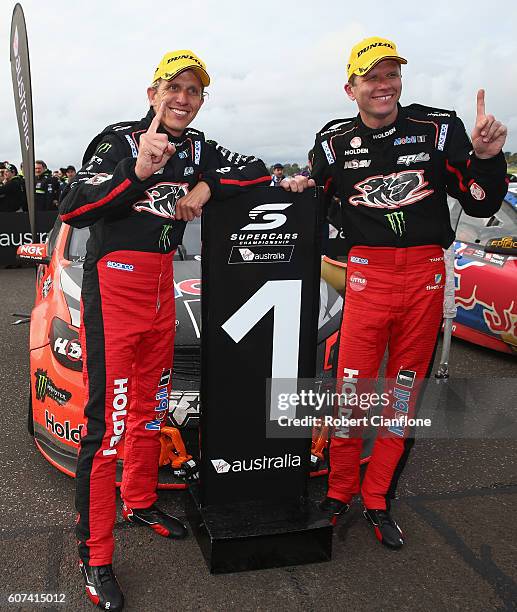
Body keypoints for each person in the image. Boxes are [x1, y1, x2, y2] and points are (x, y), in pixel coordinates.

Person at [59, 49, 270, 611]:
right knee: (108, 426)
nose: (183, 99)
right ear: (152, 92)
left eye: (194, 91)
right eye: (174, 88)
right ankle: (95, 555)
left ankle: (141, 499)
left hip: (161, 291)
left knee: (151, 405)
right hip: (116, 287)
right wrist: (138, 173)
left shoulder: (201, 147)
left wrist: (206, 189)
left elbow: (260, 169)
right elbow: (73, 209)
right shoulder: (118, 138)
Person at [282, 36, 507, 549]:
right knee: (351, 397)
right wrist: (297, 189)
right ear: (351, 87)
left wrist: (488, 158)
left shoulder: (437, 126)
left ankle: (379, 497)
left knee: (403, 398)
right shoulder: (333, 140)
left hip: (426, 277)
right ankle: (339, 494)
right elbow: (315, 199)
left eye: (391, 75)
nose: (383, 86)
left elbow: (480, 201)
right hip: (366, 277)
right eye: (371, 77)